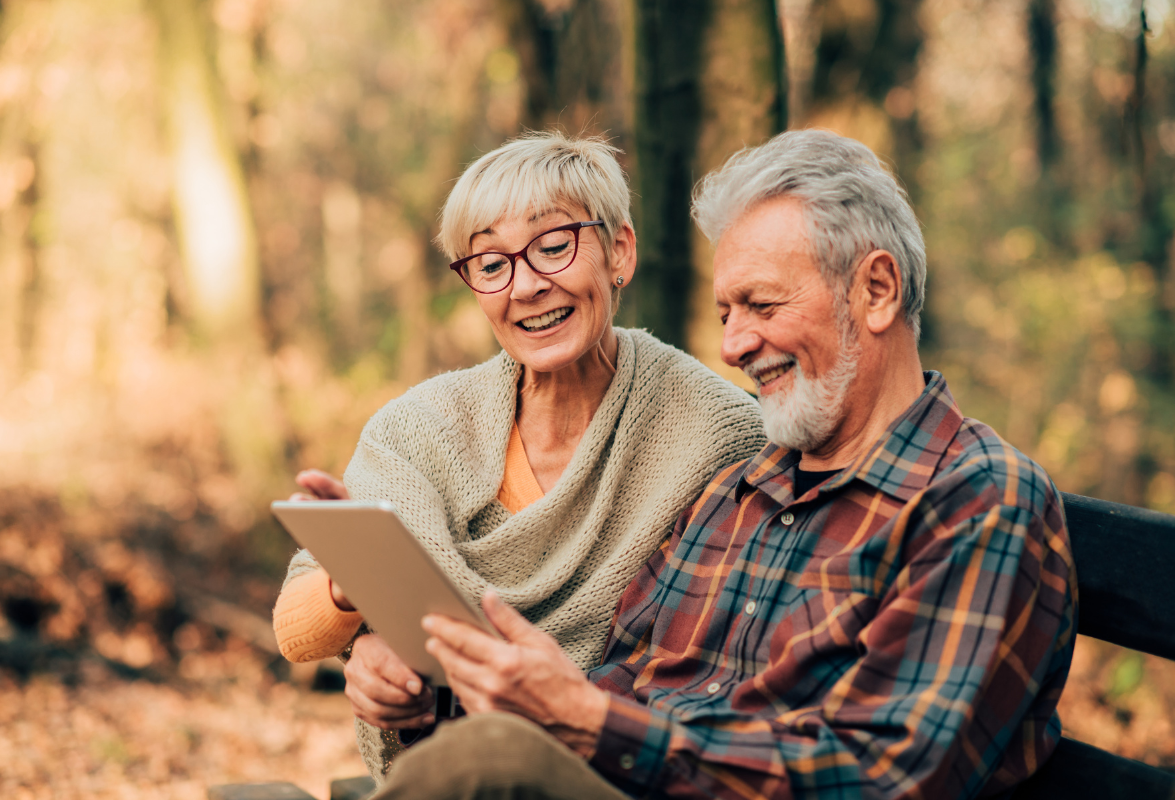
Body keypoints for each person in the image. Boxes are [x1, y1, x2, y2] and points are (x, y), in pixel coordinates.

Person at [368, 129, 1079, 800]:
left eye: (762, 305)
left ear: (877, 291)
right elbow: (618, 681)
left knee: (486, 765)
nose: (735, 345)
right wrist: (431, 696)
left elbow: (882, 778)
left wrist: (587, 722)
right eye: (726, 313)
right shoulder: (744, 488)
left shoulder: (974, 500)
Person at [270, 131, 767, 786]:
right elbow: (295, 629)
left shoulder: (718, 431)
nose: (526, 286)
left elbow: (723, 660)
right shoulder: (418, 428)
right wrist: (362, 611)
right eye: (491, 263)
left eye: (553, 247)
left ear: (620, 251)